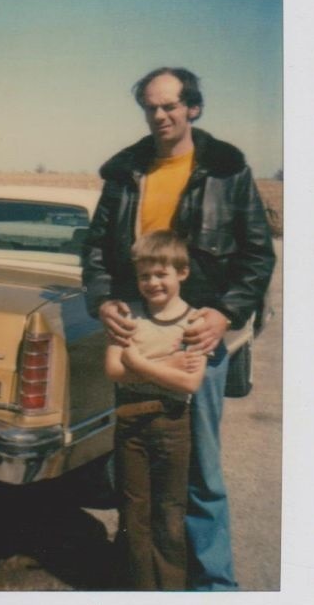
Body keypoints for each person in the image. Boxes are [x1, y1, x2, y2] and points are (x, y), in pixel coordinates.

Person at [82, 66, 276, 591]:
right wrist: (102, 302)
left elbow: (258, 255)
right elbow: (98, 250)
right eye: (151, 106)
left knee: (200, 471)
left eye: (170, 105)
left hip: (196, 334)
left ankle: (214, 585)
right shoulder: (125, 173)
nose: (160, 115)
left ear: (193, 107)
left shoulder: (226, 170)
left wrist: (225, 313)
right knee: (138, 466)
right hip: (136, 331)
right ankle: (145, 576)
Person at [105, 230, 206, 590]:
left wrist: (139, 361)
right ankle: (140, 588)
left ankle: (171, 589)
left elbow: (189, 384)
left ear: (182, 272)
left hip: (172, 425)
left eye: (161, 274)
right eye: (144, 275)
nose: (152, 283)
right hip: (130, 426)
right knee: (134, 513)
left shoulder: (196, 322)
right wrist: (168, 363)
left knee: (170, 513)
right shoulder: (126, 316)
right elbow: (114, 370)